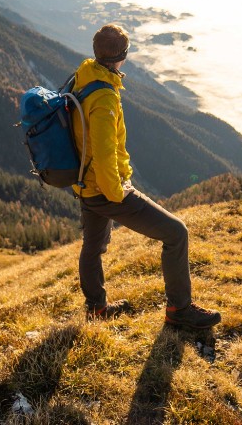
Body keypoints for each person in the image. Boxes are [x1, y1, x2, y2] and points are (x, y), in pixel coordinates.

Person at [71, 23, 221, 329]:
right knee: (176, 233)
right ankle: (179, 309)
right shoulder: (104, 98)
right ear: (122, 56)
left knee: (93, 246)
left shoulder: (84, 76)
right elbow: (102, 153)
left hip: (85, 183)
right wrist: (119, 194)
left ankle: (96, 309)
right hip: (104, 188)